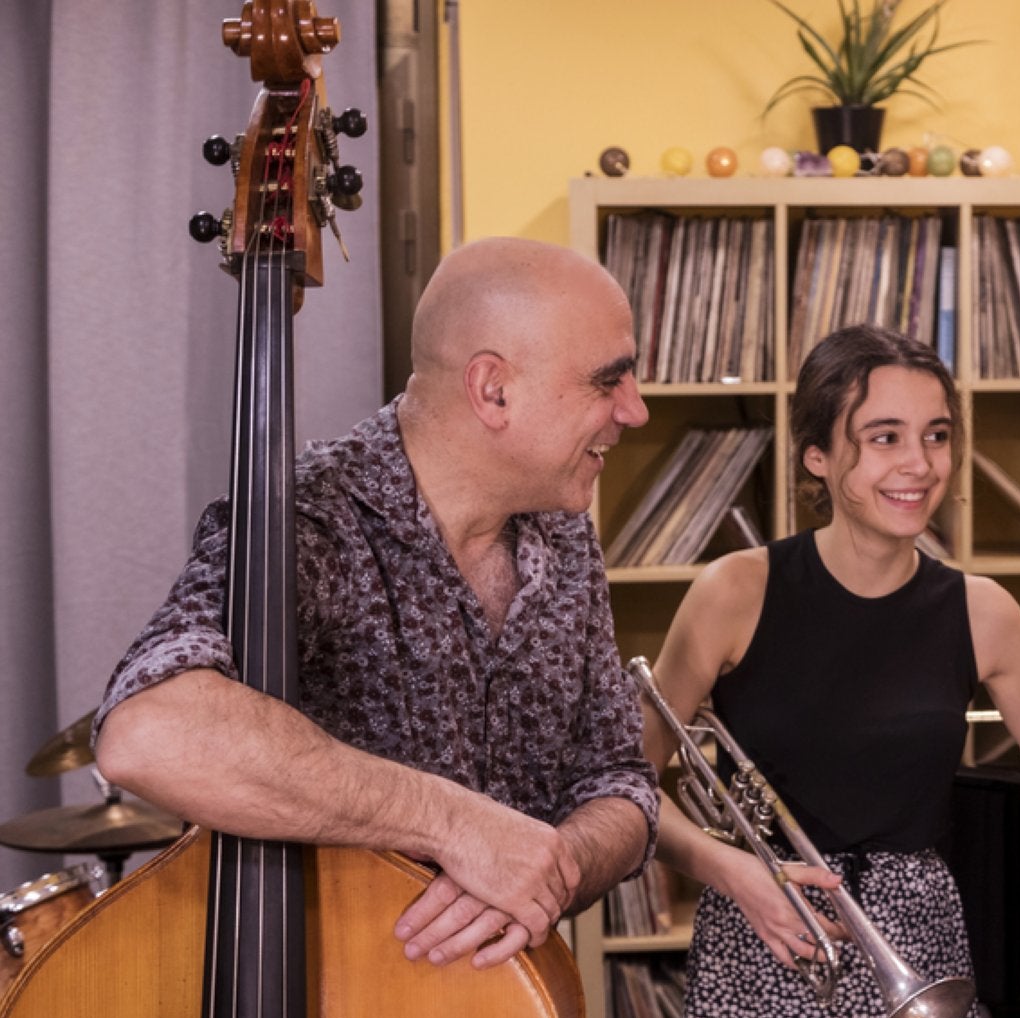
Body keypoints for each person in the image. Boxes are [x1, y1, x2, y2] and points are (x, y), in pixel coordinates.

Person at [94, 237, 659, 966]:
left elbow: (620, 780)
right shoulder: (308, 521)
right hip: (334, 1017)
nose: (635, 410)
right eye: (606, 381)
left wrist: (554, 864)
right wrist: (458, 826)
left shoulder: (563, 527)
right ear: (493, 390)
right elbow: (148, 732)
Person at [640, 323, 1020, 1018]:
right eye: (884, 437)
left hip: (920, 943)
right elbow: (629, 787)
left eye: (937, 435)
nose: (919, 464)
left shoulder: (983, 612)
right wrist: (730, 870)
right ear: (818, 459)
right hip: (772, 934)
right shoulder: (735, 590)